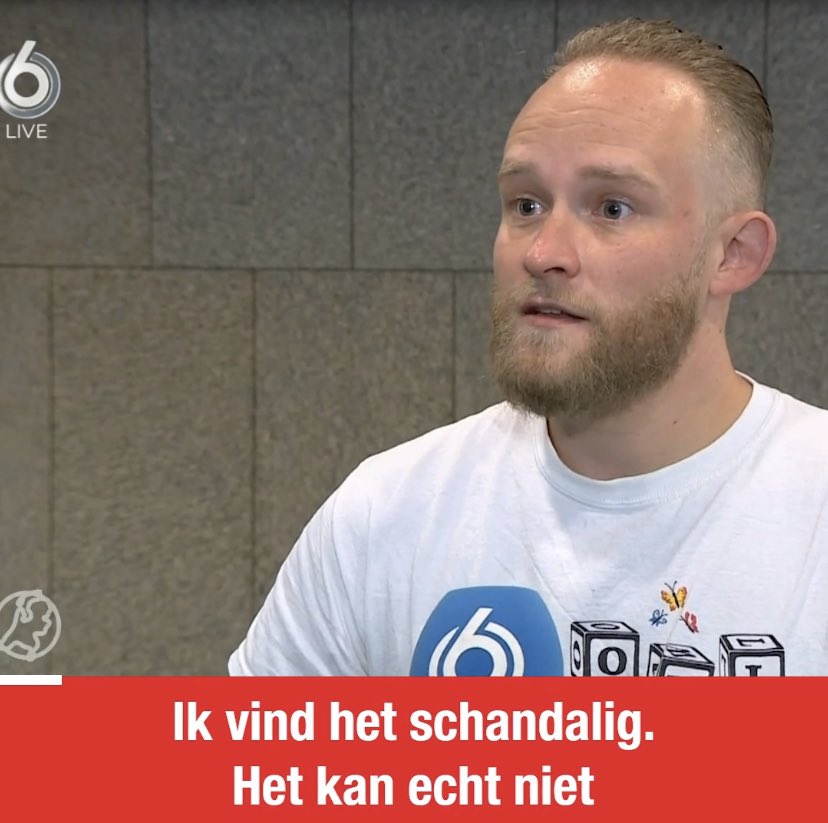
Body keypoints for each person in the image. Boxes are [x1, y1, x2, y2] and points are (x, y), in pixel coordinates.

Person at [229, 18, 828, 677]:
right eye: (526, 204)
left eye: (612, 208)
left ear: (733, 254)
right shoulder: (385, 517)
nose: (544, 253)